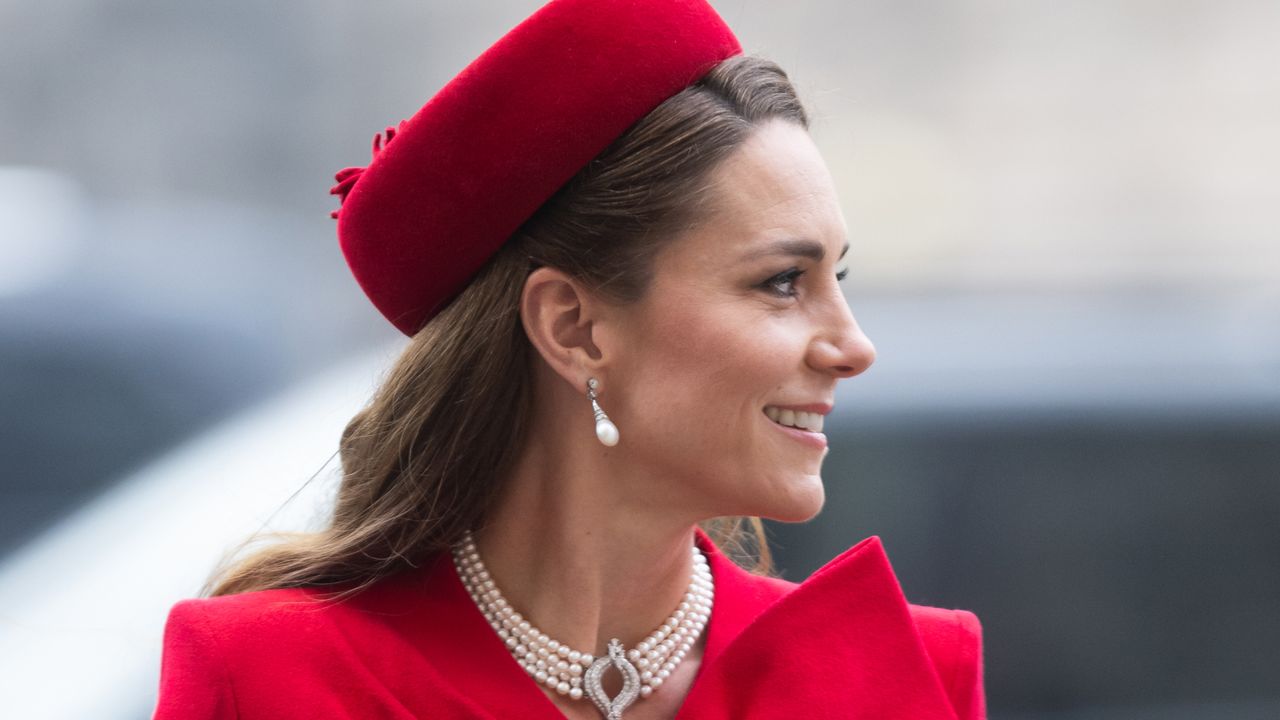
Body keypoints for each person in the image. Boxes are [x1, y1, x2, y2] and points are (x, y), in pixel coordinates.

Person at [153, 0, 986, 718]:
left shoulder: (904, 673)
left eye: (835, 279)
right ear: (574, 328)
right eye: (780, 282)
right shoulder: (271, 679)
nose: (855, 346)